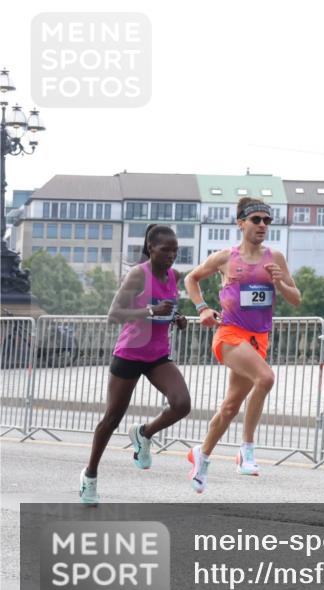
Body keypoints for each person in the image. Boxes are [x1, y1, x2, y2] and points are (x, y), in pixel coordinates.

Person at [183, 197, 301, 493]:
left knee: (230, 406)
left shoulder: (275, 258)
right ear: (241, 223)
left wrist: (280, 283)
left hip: (257, 339)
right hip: (229, 335)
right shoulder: (226, 257)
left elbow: (296, 298)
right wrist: (202, 308)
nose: (263, 225)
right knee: (266, 377)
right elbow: (191, 278)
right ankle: (246, 449)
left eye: (267, 221)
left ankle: (202, 456)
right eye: (257, 220)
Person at [79, 224, 191, 505]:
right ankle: (90, 475)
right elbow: (114, 314)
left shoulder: (174, 276)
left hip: (157, 355)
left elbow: (169, 305)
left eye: (175, 250)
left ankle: (144, 433)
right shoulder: (137, 275)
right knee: (112, 419)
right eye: (165, 250)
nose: (171, 255)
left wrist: (177, 317)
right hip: (130, 353)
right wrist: (151, 310)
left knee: (182, 404)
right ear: (150, 248)